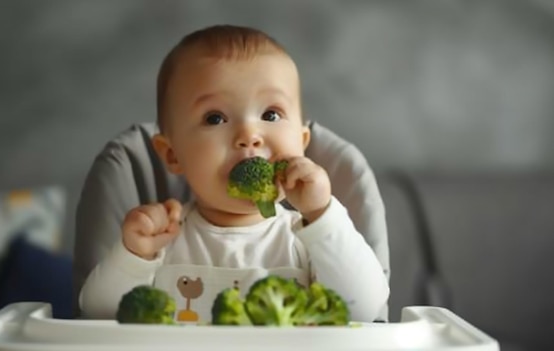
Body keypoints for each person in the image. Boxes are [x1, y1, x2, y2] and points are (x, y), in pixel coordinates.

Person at [78, 24, 389, 324]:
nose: (249, 134)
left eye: (271, 114)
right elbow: (99, 314)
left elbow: (363, 309)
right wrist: (135, 255)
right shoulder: (163, 242)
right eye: (215, 118)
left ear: (303, 144)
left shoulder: (308, 242)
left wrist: (321, 215)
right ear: (172, 155)